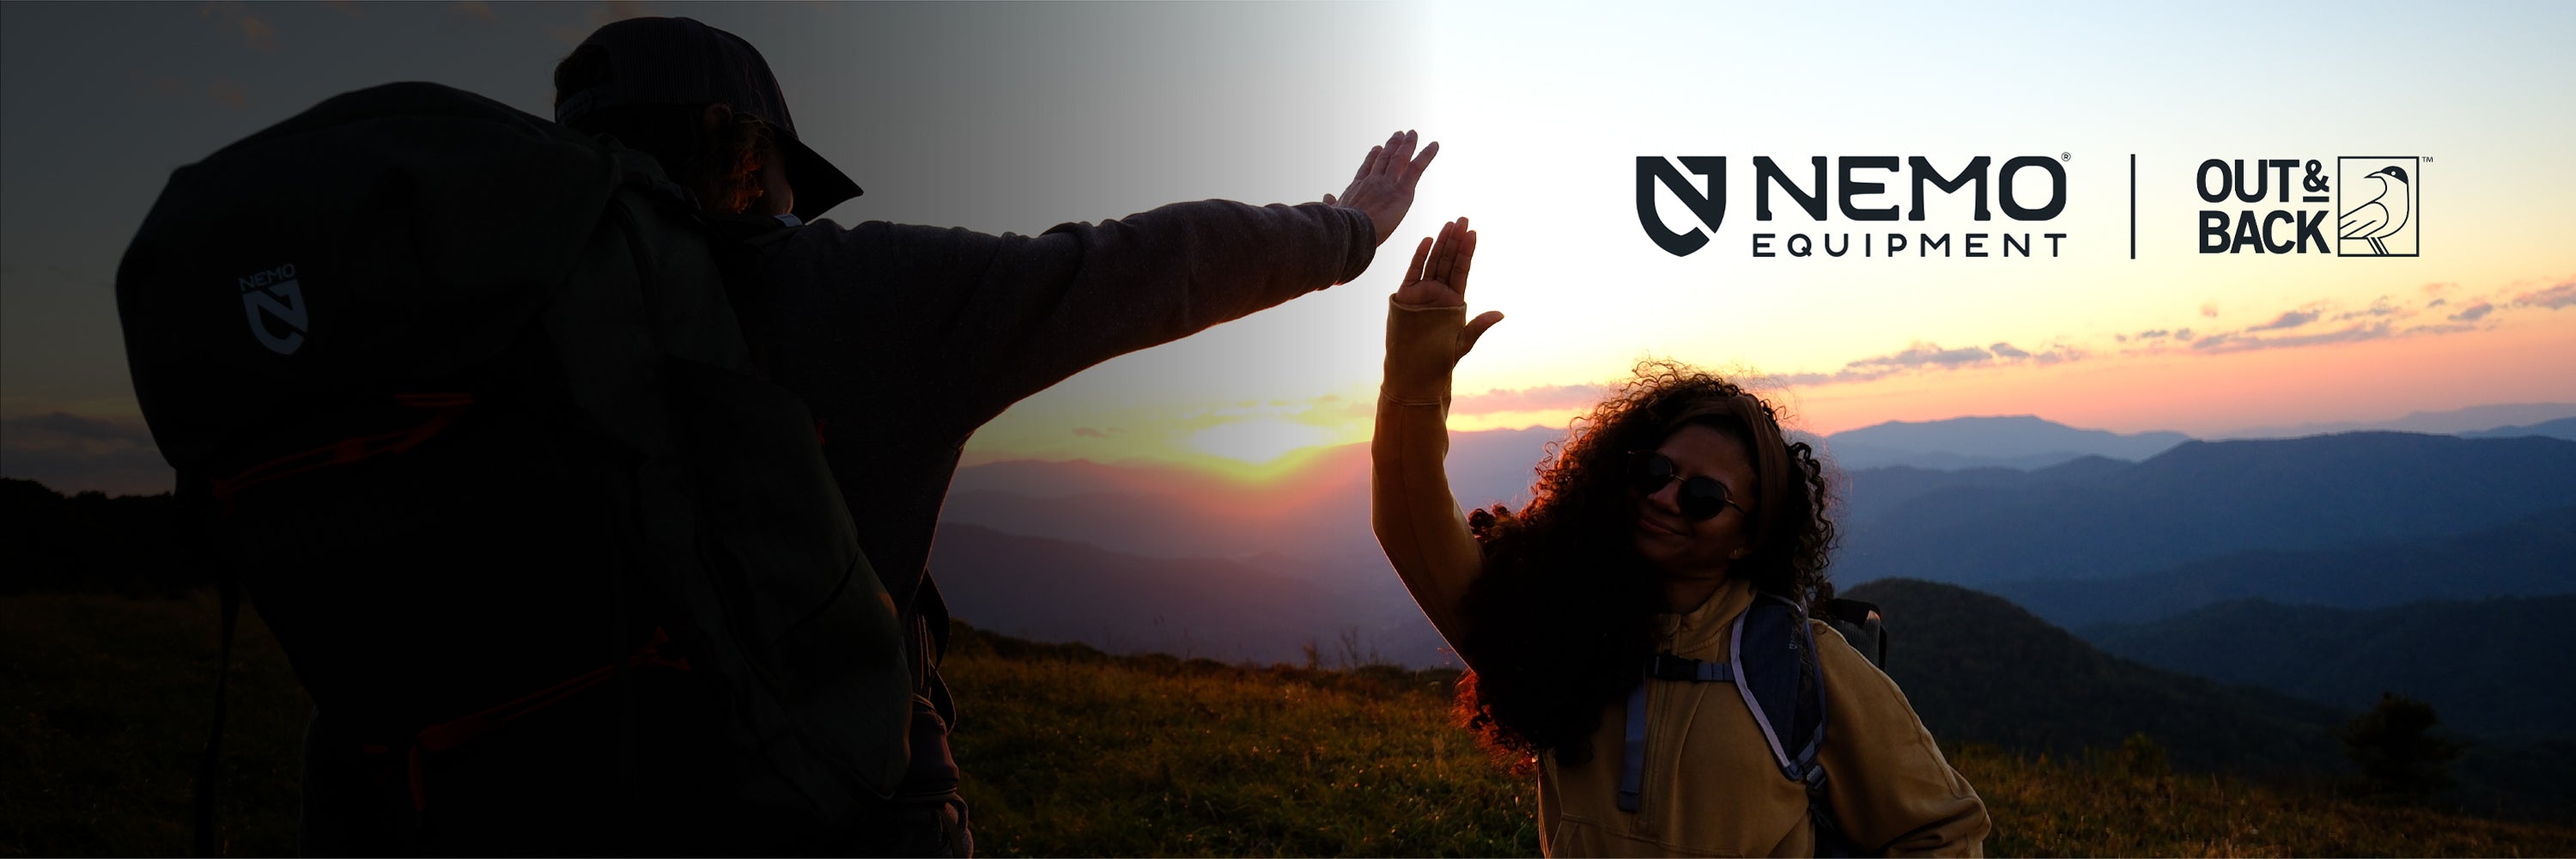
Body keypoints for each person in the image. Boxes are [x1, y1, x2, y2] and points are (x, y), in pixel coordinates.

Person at [468, 15, 1428, 856]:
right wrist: (1346, 230)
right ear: (741, 148)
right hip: (841, 817)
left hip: (556, 805)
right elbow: (1137, 265)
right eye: (785, 176)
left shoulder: (480, 327)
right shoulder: (855, 294)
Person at [1370, 219, 1990, 856]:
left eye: (1702, 497)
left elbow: (1943, 830)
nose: (1666, 498)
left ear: (1748, 537)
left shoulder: (1802, 668)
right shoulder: (1554, 623)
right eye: (1656, 472)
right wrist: (1416, 378)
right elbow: (1411, 527)